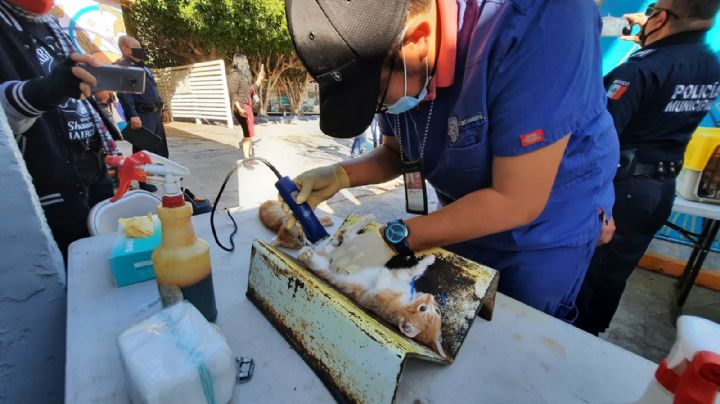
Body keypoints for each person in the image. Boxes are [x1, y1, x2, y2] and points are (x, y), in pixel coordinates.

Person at [282, 0, 619, 319]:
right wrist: (341, 174)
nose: (380, 110)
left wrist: (394, 237)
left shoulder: (542, 19)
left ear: (417, 40)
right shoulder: (401, 61)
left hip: (541, 233)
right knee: (455, 314)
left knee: (517, 333)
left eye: (377, 99)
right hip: (464, 215)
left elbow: (517, 200)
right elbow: (397, 152)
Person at [575, 0, 720, 335]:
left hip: (619, 190)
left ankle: (574, 336)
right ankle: (592, 339)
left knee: (588, 276)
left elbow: (601, 137)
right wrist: (652, 40)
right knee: (613, 276)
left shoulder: (639, 70)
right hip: (659, 190)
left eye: (653, 10)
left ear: (661, 17)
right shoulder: (710, 63)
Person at [0, 0, 119, 260]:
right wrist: (45, 91)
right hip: (52, 186)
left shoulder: (50, 23)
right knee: (83, 270)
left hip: (94, 170)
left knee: (112, 256)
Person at [115, 35, 170, 160]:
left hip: (155, 115)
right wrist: (133, 115)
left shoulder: (144, 67)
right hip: (142, 116)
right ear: (125, 49)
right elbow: (124, 93)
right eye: (137, 47)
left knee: (160, 149)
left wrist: (163, 109)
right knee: (144, 152)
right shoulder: (124, 68)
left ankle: (163, 176)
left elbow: (154, 90)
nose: (140, 49)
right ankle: (145, 179)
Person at [228, 54, 264, 159]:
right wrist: (239, 109)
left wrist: (259, 78)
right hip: (241, 107)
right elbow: (234, 94)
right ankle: (247, 158)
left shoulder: (244, 76)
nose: (247, 63)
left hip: (247, 107)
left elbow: (251, 90)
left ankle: (248, 154)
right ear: (241, 62)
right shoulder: (235, 75)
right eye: (246, 61)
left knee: (249, 133)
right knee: (248, 133)